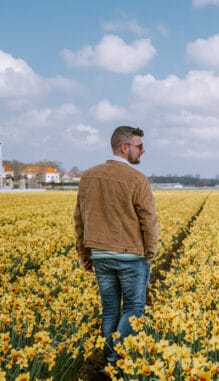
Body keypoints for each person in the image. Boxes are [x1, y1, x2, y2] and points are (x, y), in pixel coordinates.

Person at [73, 126, 158, 371]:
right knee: (133, 309)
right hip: (130, 255)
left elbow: (80, 217)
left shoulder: (89, 176)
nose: (143, 150)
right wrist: (149, 253)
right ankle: (114, 359)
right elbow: (148, 219)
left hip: (100, 255)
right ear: (124, 147)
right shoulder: (136, 179)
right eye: (139, 146)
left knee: (110, 310)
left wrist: (85, 252)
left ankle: (108, 361)